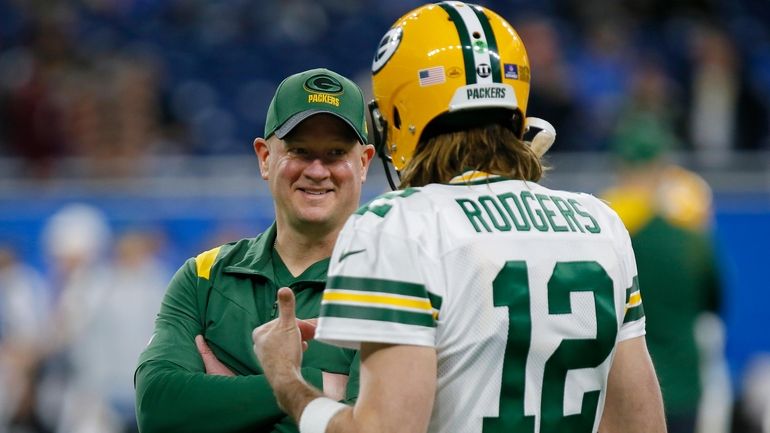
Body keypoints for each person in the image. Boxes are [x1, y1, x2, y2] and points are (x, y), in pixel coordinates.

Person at [252, 3, 667, 433]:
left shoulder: (399, 224)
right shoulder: (600, 222)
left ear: (398, 113)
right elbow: (643, 425)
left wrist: (285, 379)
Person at [134, 68, 375, 433]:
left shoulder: (388, 282)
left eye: (336, 153)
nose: (316, 170)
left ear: (363, 163)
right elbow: (158, 408)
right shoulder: (204, 276)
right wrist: (311, 386)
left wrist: (227, 403)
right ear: (264, 157)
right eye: (299, 151)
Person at [603, 114, 724, 433]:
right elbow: (714, 299)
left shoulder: (606, 227)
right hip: (683, 378)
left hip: (623, 382)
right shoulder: (691, 231)